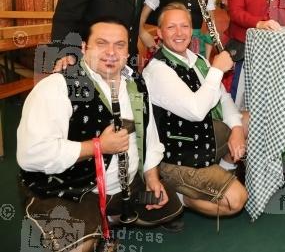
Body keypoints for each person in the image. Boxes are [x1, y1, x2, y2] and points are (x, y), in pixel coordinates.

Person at [18, 18, 182, 252]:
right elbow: (30, 155)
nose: (111, 53)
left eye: (120, 45)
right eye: (102, 43)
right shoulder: (56, 86)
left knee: (169, 205)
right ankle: (79, 223)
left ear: (128, 50)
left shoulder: (136, 83)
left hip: (124, 186)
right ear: (84, 48)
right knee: (78, 245)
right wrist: (98, 146)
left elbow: (150, 135)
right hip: (72, 188)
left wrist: (152, 177)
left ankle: (105, 218)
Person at [142, 3, 248, 218]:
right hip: (178, 159)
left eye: (184, 26)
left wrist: (236, 129)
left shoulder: (197, 60)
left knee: (248, 121)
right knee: (236, 201)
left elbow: (224, 97)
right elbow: (196, 111)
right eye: (171, 27)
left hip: (205, 142)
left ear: (192, 31)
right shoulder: (157, 70)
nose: (179, 33)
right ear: (160, 34)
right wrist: (217, 69)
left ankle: (225, 171)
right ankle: (183, 198)